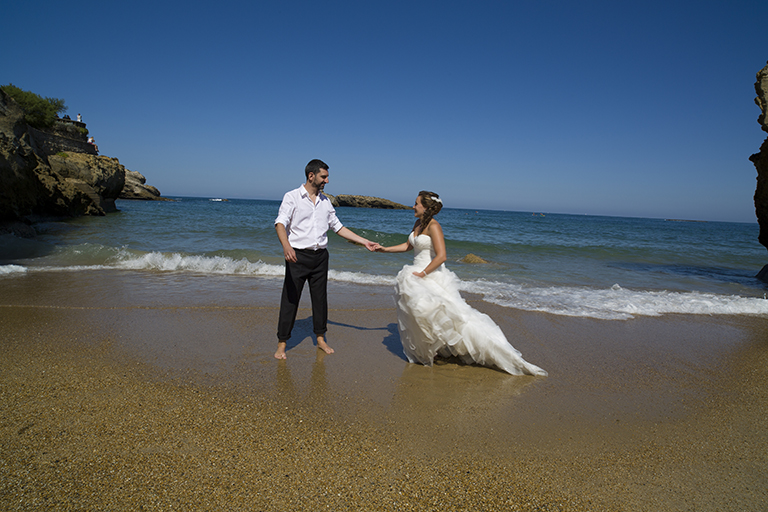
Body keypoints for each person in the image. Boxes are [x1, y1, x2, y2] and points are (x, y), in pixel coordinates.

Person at [374, 191, 547, 376]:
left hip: (430, 274)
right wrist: (384, 249)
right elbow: (409, 245)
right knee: (419, 312)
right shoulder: (418, 224)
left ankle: (493, 351)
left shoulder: (434, 226)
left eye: (416, 203)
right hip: (416, 273)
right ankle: (434, 349)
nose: (413, 206)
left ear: (426, 207)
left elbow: (442, 256)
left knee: (453, 316)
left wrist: (423, 274)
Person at [274, 159, 377, 359]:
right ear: (311, 176)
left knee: (320, 300)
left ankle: (320, 339)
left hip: (320, 257)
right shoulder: (292, 197)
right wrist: (286, 246)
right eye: (324, 177)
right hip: (297, 256)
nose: (327, 181)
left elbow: (338, 227)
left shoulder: (325, 202)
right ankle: (282, 343)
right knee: (290, 299)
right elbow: (280, 223)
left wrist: (364, 241)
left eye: (327, 177)